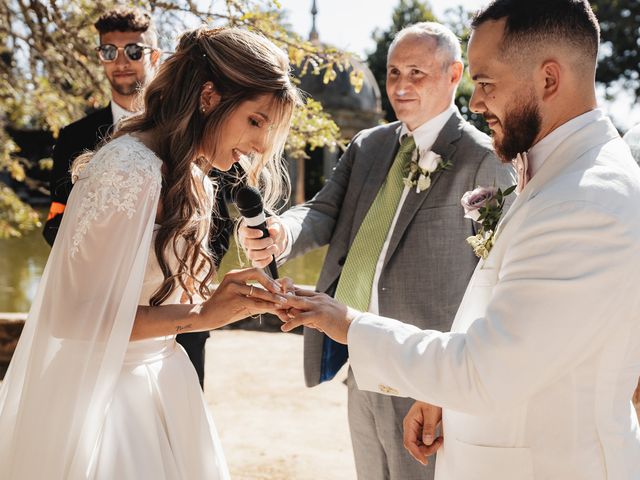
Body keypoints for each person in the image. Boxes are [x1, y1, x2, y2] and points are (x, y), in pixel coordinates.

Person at [280, 1, 640, 479]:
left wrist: (349, 324)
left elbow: (486, 372)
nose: (474, 102)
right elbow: (517, 326)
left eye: (486, 82)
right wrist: (438, 393)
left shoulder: (582, 201)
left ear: (549, 79)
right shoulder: (556, 173)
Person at [0, 26, 300, 479]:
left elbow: (150, 291)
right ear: (208, 97)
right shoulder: (128, 169)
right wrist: (200, 316)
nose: (259, 146)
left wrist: (227, 295)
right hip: (105, 404)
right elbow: (72, 316)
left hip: (165, 381)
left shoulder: (193, 176)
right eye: (255, 121)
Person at [241, 22, 513, 480]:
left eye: (416, 73)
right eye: (392, 73)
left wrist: (454, 383)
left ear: (453, 74)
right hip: (361, 359)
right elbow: (322, 210)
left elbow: (497, 277)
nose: (401, 86)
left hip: (428, 371)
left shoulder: (483, 158)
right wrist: (281, 231)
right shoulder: (369, 145)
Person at [43, 7, 232, 387]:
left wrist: (184, 274)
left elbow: (221, 219)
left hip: (181, 315)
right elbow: (58, 219)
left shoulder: (196, 129)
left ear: (155, 56)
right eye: (108, 52)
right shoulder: (74, 137)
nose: (121, 63)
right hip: (99, 314)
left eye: (133, 50)